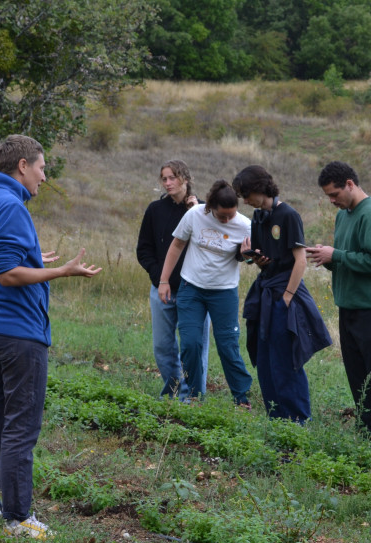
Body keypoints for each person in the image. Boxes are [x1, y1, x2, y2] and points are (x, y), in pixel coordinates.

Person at [0, 134, 101, 538]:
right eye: (41, 166)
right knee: (20, 425)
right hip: (18, 334)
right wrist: (61, 271)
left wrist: (34, 258)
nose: (44, 174)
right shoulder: (12, 206)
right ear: (22, 166)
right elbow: (7, 274)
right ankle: (17, 518)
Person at [305, 161, 371, 442]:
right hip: (349, 307)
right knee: (358, 375)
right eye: (328, 196)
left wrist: (335, 255)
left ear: (350, 184)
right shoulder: (344, 216)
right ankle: (368, 433)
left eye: (334, 194)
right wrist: (325, 257)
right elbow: (347, 259)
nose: (332, 201)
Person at [232, 165, 331, 422]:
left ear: (259, 188)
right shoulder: (257, 216)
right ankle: (276, 420)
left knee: (285, 362)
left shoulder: (288, 215)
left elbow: (300, 261)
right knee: (264, 362)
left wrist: (287, 296)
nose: (244, 200)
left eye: (246, 194)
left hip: (284, 295)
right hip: (265, 291)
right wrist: (253, 259)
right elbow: (263, 257)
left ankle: (297, 423)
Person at [158, 180, 254, 407]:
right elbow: (176, 246)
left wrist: (247, 255)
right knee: (190, 343)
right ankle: (192, 395)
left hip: (224, 292)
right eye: (222, 216)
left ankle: (241, 398)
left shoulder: (245, 225)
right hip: (191, 289)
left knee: (227, 345)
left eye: (231, 215)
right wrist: (164, 280)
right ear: (210, 207)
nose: (227, 220)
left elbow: (250, 258)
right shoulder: (194, 215)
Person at [136, 160, 210, 399]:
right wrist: (160, 278)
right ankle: (174, 391)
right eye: (164, 178)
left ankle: (193, 396)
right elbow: (144, 249)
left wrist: (194, 210)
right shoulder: (155, 210)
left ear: (185, 179)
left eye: (172, 178)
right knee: (163, 346)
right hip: (162, 289)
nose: (167, 183)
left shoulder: (204, 210)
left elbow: (211, 247)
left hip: (195, 290)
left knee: (194, 346)